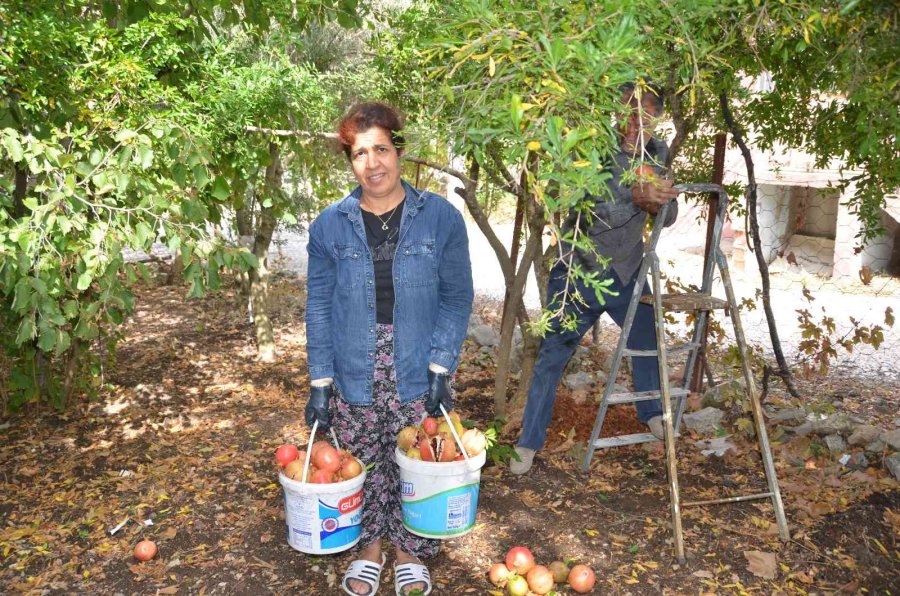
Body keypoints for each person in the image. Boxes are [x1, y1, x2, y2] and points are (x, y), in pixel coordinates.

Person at [304, 102, 474, 596]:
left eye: (381, 148)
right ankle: (370, 551)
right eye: (360, 153)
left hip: (418, 357)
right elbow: (318, 307)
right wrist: (320, 381)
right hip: (354, 359)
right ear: (349, 161)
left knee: (415, 457)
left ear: (400, 151)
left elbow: (457, 296)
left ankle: (408, 552)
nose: (372, 163)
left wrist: (442, 365)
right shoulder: (329, 225)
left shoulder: (440, 217)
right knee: (361, 457)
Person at [510, 82, 680, 475]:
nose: (638, 123)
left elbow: (668, 214)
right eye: (631, 113)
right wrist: (635, 200)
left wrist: (658, 207)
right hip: (578, 273)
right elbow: (584, 208)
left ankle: (651, 412)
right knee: (551, 357)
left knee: (648, 340)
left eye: (648, 115)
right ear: (616, 115)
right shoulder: (593, 147)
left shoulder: (656, 152)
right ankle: (528, 443)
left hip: (627, 271)